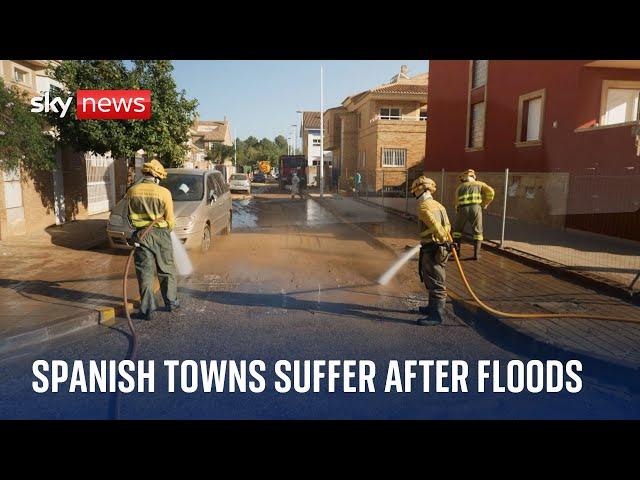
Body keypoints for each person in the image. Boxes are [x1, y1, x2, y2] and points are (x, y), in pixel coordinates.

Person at [126, 159, 179, 321]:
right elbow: (170, 220)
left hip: (141, 235)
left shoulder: (132, 191)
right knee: (166, 270)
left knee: (145, 273)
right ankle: (171, 303)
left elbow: (129, 216)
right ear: (156, 177)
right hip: (160, 234)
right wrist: (165, 231)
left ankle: (147, 309)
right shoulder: (164, 193)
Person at [410, 176, 453, 326]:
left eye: (415, 192)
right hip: (439, 249)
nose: (414, 195)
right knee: (432, 278)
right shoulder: (439, 205)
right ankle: (431, 308)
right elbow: (448, 226)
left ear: (420, 190)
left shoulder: (423, 207)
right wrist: (447, 241)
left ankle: (436, 316)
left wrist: (441, 238)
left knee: (436, 282)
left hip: (432, 249)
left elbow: (436, 227)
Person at [452, 169, 495, 260]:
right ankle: (476, 254)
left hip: (462, 209)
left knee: (457, 231)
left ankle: (456, 253)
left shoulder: (460, 187)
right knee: (477, 231)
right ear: (473, 177)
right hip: (475, 208)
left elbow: (456, 201)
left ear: (464, 178)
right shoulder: (480, 184)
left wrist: (457, 210)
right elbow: (491, 192)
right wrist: (485, 203)